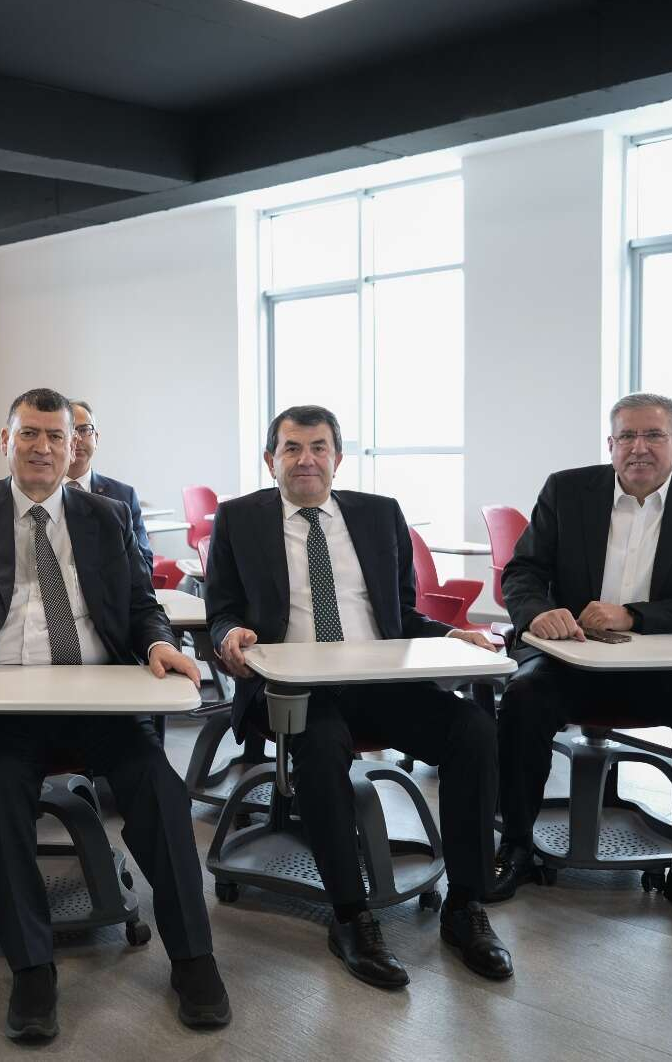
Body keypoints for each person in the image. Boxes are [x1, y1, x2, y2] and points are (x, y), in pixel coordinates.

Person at [0, 387, 229, 1041]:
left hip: (99, 701)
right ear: (6, 440)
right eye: (29, 433)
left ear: (75, 445)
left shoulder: (107, 515)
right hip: (4, 703)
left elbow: (140, 605)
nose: (43, 448)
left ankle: (194, 958)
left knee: (160, 793)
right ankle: (31, 968)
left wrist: (158, 644)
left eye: (56, 436)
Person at [206, 404, 513, 989]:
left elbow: (401, 614)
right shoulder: (239, 519)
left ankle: (467, 905)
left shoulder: (379, 514)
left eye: (318, 447)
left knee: (472, 729)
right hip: (294, 687)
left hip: (379, 682)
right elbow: (220, 610)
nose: (306, 459)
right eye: (292, 448)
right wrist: (229, 635)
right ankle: (350, 916)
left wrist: (448, 635)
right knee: (321, 746)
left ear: (338, 458)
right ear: (270, 460)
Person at [491, 392, 672, 937]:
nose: (639, 448)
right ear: (610, 444)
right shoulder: (567, 490)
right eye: (627, 437)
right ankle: (516, 847)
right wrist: (538, 613)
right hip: (571, 662)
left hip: (666, 669)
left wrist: (635, 615)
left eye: (653, 435)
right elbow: (522, 572)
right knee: (522, 698)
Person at [66, 399, 153, 569]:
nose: (77, 438)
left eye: (84, 430)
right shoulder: (42, 494)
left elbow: (144, 564)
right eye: (69, 431)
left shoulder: (123, 496)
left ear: (96, 439)